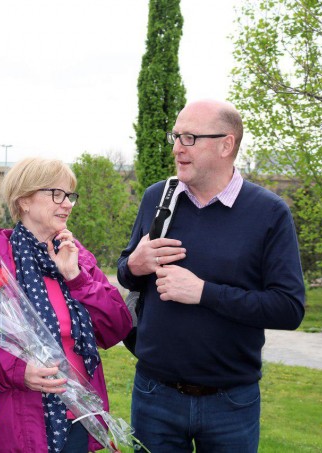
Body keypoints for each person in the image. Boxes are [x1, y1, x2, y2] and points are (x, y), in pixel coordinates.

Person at [117, 99, 306, 452]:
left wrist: (203, 292)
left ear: (226, 144)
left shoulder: (269, 213)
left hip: (231, 402)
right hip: (153, 393)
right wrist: (134, 265)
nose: (176, 148)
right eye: (176, 136)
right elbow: (127, 274)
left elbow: (289, 308)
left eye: (189, 138)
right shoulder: (158, 197)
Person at [0, 157, 132, 452]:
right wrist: (19, 371)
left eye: (70, 195)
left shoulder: (77, 258)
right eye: (56, 194)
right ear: (24, 201)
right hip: (16, 424)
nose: (67, 203)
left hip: (79, 419)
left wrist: (76, 277)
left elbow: (116, 328)